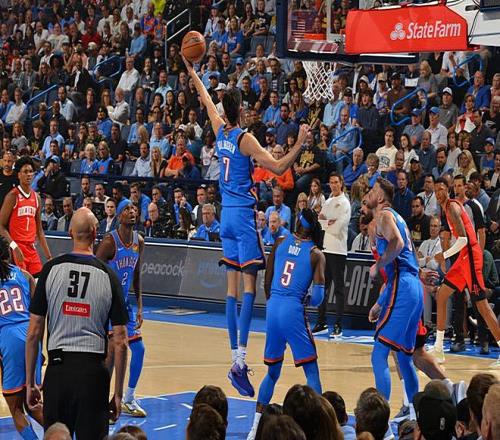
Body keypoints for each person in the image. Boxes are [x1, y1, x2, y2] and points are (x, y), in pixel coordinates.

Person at [184, 53, 309, 397]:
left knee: (231, 291)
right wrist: (300, 142)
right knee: (250, 289)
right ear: (242, 110)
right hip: (241, 217)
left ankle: (234, 358)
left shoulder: (218, 128)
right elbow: (279, 168)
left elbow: (204, 97)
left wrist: (191, 69)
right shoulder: (245, 138)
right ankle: (239, 362)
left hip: (224, 215)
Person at [26, 208, 129, 439]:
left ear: (70, 232)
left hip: (58, 372)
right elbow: (121, 342)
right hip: (93, 375)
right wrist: (118, 394)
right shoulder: (109, 276)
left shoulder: (50, 270)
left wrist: (31, 382)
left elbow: (33, 332)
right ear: (95, 233)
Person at [247, 209, 325, 440]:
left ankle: (254, 428)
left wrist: (275, 302)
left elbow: (267, 282)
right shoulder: (315, 254)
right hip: (292, 309)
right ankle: (321, 428)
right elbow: (318, 298)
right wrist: (304, 300)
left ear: (297, 222)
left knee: (272, 372)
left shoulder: (280, 241)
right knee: (311, 371)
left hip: (273, 308)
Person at [366, 177, 423, 420]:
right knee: (404, 357)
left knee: (378, 354)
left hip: (404, 285)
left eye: (372, 190)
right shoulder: (399, 218)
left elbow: (397, 244)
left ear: (380, 197)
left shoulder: (384, 216)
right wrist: (380, 303)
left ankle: (381, 421)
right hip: (413, 288)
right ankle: (415, 416)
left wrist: (377, 264)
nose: (368, 194)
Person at [430, 178, 500, 366]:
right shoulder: (445, 209)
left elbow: (463, 240)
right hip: (463, 258)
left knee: (482, 306)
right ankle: (438, 349)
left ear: (448, 190)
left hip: (471, 257)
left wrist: (444, 255)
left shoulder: (452, 207)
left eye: (441, 189)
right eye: (436, 190)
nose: (438, 193)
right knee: (442, 295)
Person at [96, 202, 146, 418]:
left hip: (124, 305)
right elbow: (94, 270)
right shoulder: (110, 242)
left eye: (134, 208)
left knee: (139, 349)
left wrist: (140, 305)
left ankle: (129, 398)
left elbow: (136, 275)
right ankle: (100, 401)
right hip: (107, 305)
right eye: (127, 209)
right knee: (111, 355)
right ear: (118, 215)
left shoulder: (139, 241)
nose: (131, 211)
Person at [0, 236, 43, 439]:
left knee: (16, 409)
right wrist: (39, 346)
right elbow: (39, 316)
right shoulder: (25, 276)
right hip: (31, 335)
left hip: (8, 339)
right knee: (34, 405)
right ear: (9, 253)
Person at [0, 157, 52, 277]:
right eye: (25, 172)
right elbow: (1, 226)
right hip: (17, 247)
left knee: (37, 282)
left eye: (30, 171)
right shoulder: (12, 196)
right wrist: (14, 247)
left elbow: (39, 230)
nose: (28, 174)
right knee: (22, 283)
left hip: (31, 248)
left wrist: (49, 257)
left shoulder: (37, 198)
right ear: (19, 175)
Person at [314, 172, 351, 337]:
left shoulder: (345, 203)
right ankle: (321, 322)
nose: (334, 185)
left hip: (338, 250)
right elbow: (319, 222)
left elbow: (338, 227)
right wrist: (328, 222)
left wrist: (326, 222)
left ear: (341, 183)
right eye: (331, 182)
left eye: (336, 182)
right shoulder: (328, 202)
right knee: (323, 287)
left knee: (339, 289)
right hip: (325, 249)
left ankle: (338, 325)